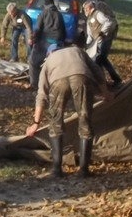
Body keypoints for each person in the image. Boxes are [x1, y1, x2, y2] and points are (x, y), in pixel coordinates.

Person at [24, 45, 109, 178]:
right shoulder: (77, 50)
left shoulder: (49, 61)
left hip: (58, 81)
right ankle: (83, 170)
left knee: (56, 122)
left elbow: (41, 95)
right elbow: (97, 71)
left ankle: (57, 170)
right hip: (81, 77)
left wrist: (36, 123)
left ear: (49, 53)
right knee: (84, 121)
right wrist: (106, 93)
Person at [82, 0, 123, 86]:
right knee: (102, 60)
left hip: (105, 40)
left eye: (85, 9)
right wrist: (87, 44)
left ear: (89, 8)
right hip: (98, 41)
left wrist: (103, 33)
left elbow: (108, 22)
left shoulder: (98, 14)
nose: (84, 11)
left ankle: (103, 81)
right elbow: (90, 34)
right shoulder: (89, 18)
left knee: (99, 60)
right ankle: (109, 80)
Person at [28, 0, 66, 89]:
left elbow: (37, 29)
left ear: (45, 4)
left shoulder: (44, 13)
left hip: (45, 41)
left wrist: (32, 39)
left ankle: (34, 85)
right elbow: (63, 31)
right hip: (57, 42)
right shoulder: (59, 14)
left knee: (33, 62)